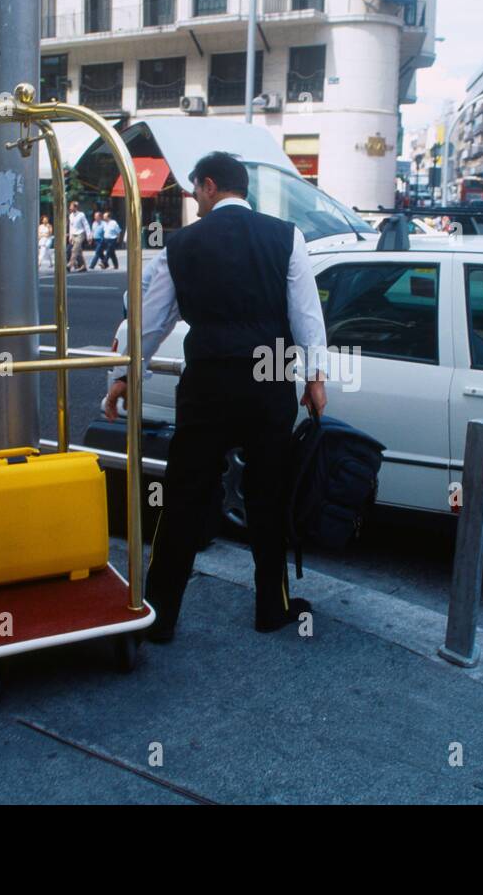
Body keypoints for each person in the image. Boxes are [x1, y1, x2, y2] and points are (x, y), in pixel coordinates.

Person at [104, 151, 328, 642]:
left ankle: (160, 615)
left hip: (206, 385)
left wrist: (122, 376)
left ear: (209, 186)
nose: (193, 201)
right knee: (268, 497)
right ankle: (272, 606)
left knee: (184, 497)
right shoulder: (285, 236)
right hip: (268, 382)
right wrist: (315, 379)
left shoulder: (181, 245)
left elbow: (150, 321)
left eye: (194, 191)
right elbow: (306, 315)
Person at [67, 201, 90, 272]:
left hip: (80, 234)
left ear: (75, 207)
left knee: (74, 250)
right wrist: (70, 236)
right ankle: (83, 266)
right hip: (74, 234)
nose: (70, 208)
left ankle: (70, 265)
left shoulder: (81, 215)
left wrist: (89, 235)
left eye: (71, 206)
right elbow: (71, 226)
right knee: (78, 252)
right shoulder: (70, 215)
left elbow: (86, 225)